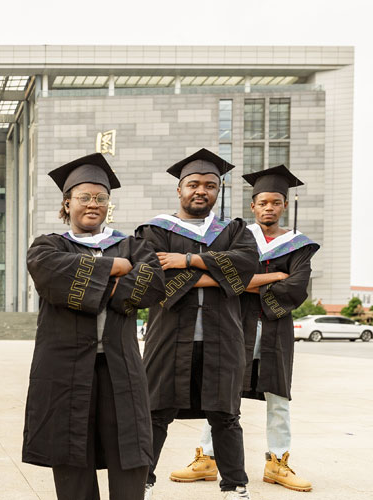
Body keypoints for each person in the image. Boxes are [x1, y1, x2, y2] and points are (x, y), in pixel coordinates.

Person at [22, 153, 166, 500]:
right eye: (84, 197)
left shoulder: (133, 245)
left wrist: (97, 280)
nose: (93, 204)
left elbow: (154, 284)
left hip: (120, 367)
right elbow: (49, 274)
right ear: (67, 203)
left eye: (101, 198)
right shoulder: (48, 246)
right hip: (64, 368)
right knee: (71, 455)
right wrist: (117, 268)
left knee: (130, 452)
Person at [170, 164, 317, 493]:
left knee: (278, 395)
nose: (269, 208)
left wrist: (242, 282)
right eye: (263, 203)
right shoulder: (234, 237)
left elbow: (295, 288)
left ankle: (277, 462)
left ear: (285, 205)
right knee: (221, 391)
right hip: (234, 324)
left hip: (275, 328)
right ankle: (207, 458)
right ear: (253, 205)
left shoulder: (299, 245)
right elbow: (221, 275)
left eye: (275, 203)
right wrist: (271, 277)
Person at [136, 149, 259, 500]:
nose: (201, 190)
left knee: (225, 414)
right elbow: (154, 274)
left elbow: (247, 266)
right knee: (155, 411)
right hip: (169, 335)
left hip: (223, 337)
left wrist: (188, 259)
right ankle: (141, 482)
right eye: (193, 184)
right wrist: (218, 274)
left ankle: (235, 486)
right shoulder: (154, 230)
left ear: (218, 190)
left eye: (209, 185)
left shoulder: (234, 230)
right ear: (180, 189)